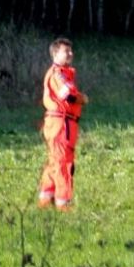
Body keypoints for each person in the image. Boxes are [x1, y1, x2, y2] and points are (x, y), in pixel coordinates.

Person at [38, 37, 88, 212]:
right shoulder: (57, 73)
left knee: (54, 161)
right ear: (55, 54)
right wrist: (82, 99)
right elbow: (68, 95)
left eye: (71, 51)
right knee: (64, 163)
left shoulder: (64, 72)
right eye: (66, 51)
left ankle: (46, 198)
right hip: (61, 124)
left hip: (61, 122)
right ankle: (63, 203)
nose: (70, 54)